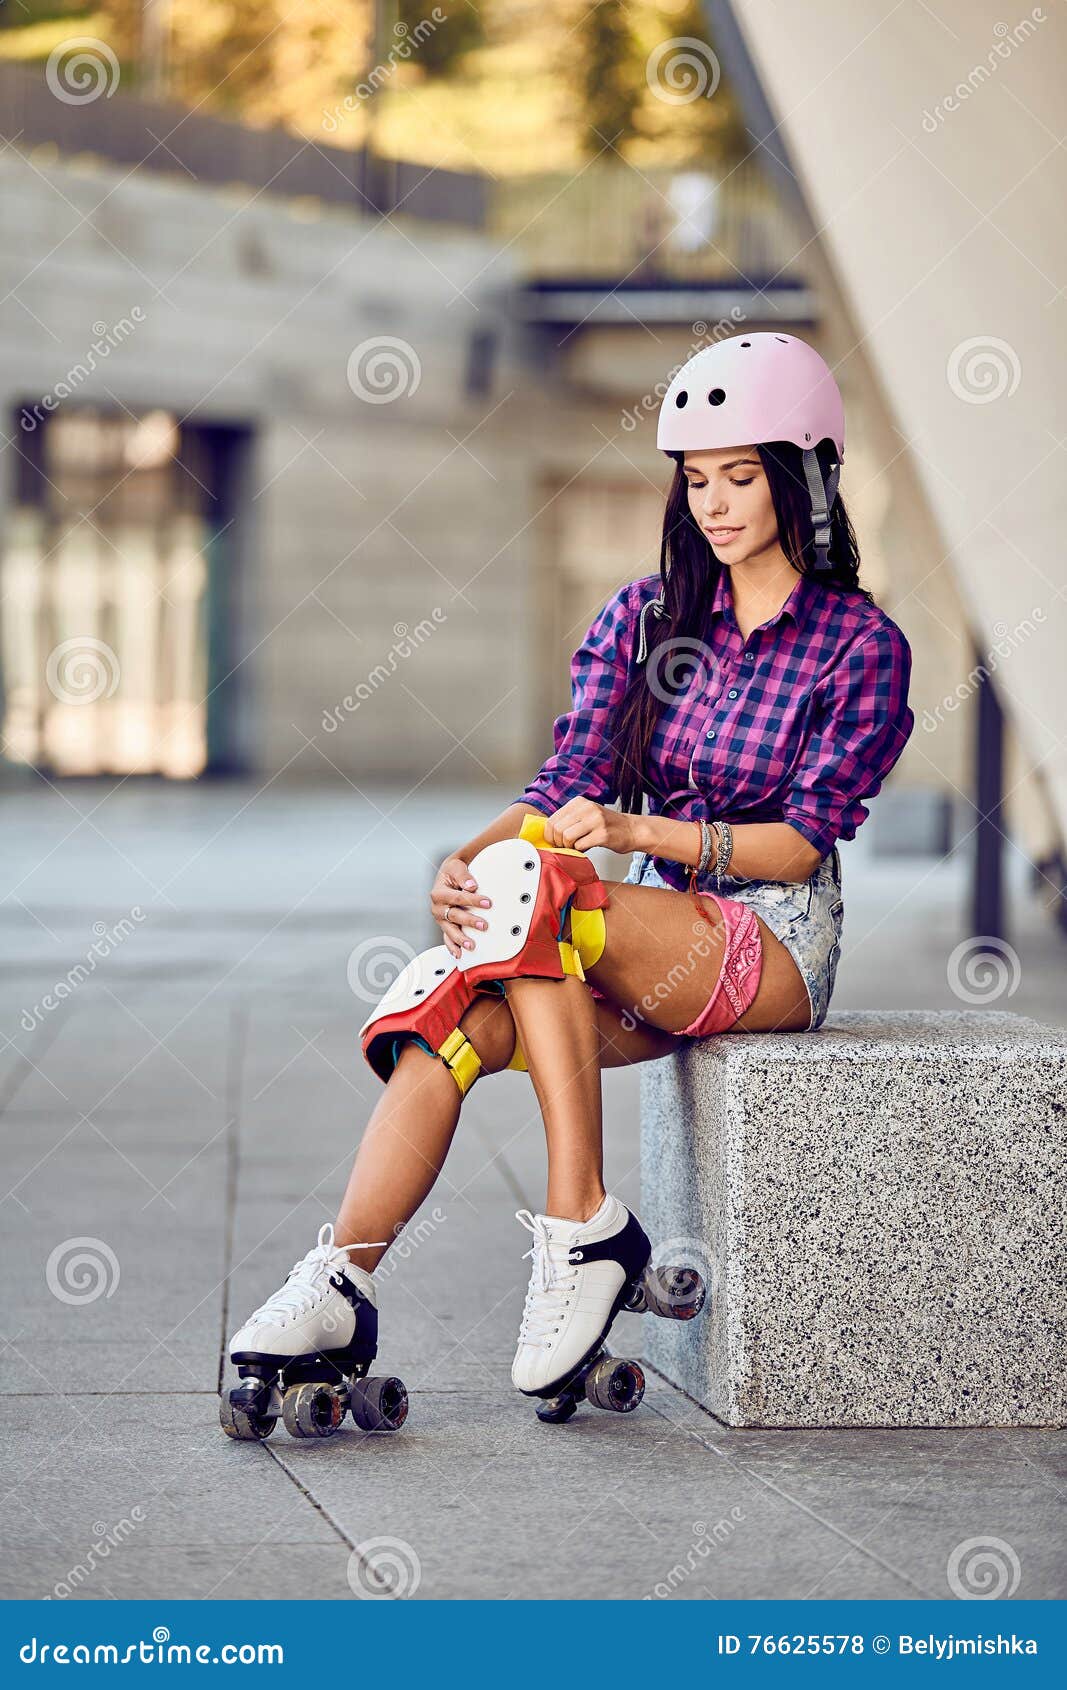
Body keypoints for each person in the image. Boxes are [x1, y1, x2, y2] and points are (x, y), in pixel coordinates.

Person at [222, 331, 914, 1428]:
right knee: (445, 998)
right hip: (634, 938)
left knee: (547, 899)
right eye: (695, 480)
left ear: (803, 478)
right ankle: (340, 1285)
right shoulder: (645, 619)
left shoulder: (855, 644)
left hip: (768, 941)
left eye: (741, 476)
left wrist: (639, 830)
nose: (715, 504)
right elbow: (564, 785)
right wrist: (472, 857)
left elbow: (797, 842)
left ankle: (578, 1222)